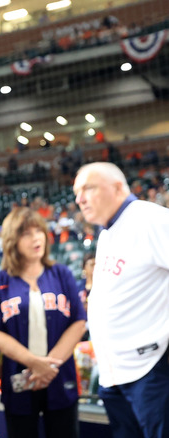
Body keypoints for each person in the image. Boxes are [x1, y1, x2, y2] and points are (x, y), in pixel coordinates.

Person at [73, 162, 169, 438]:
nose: (80, 198)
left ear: (117, 187)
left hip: (149, 370)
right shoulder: (107, 232)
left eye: (88, 188)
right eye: (77, 191)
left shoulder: (150, 219)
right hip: (114, 373)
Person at [0, 207, 87, 438]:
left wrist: (48, 367)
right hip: (19, 379)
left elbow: (79, 321)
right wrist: (33, 362)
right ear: (13, 240)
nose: (36, 238)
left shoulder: (61, 273)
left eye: (39, 231)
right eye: (27, 233)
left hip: (60, 377)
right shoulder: (1, 280)